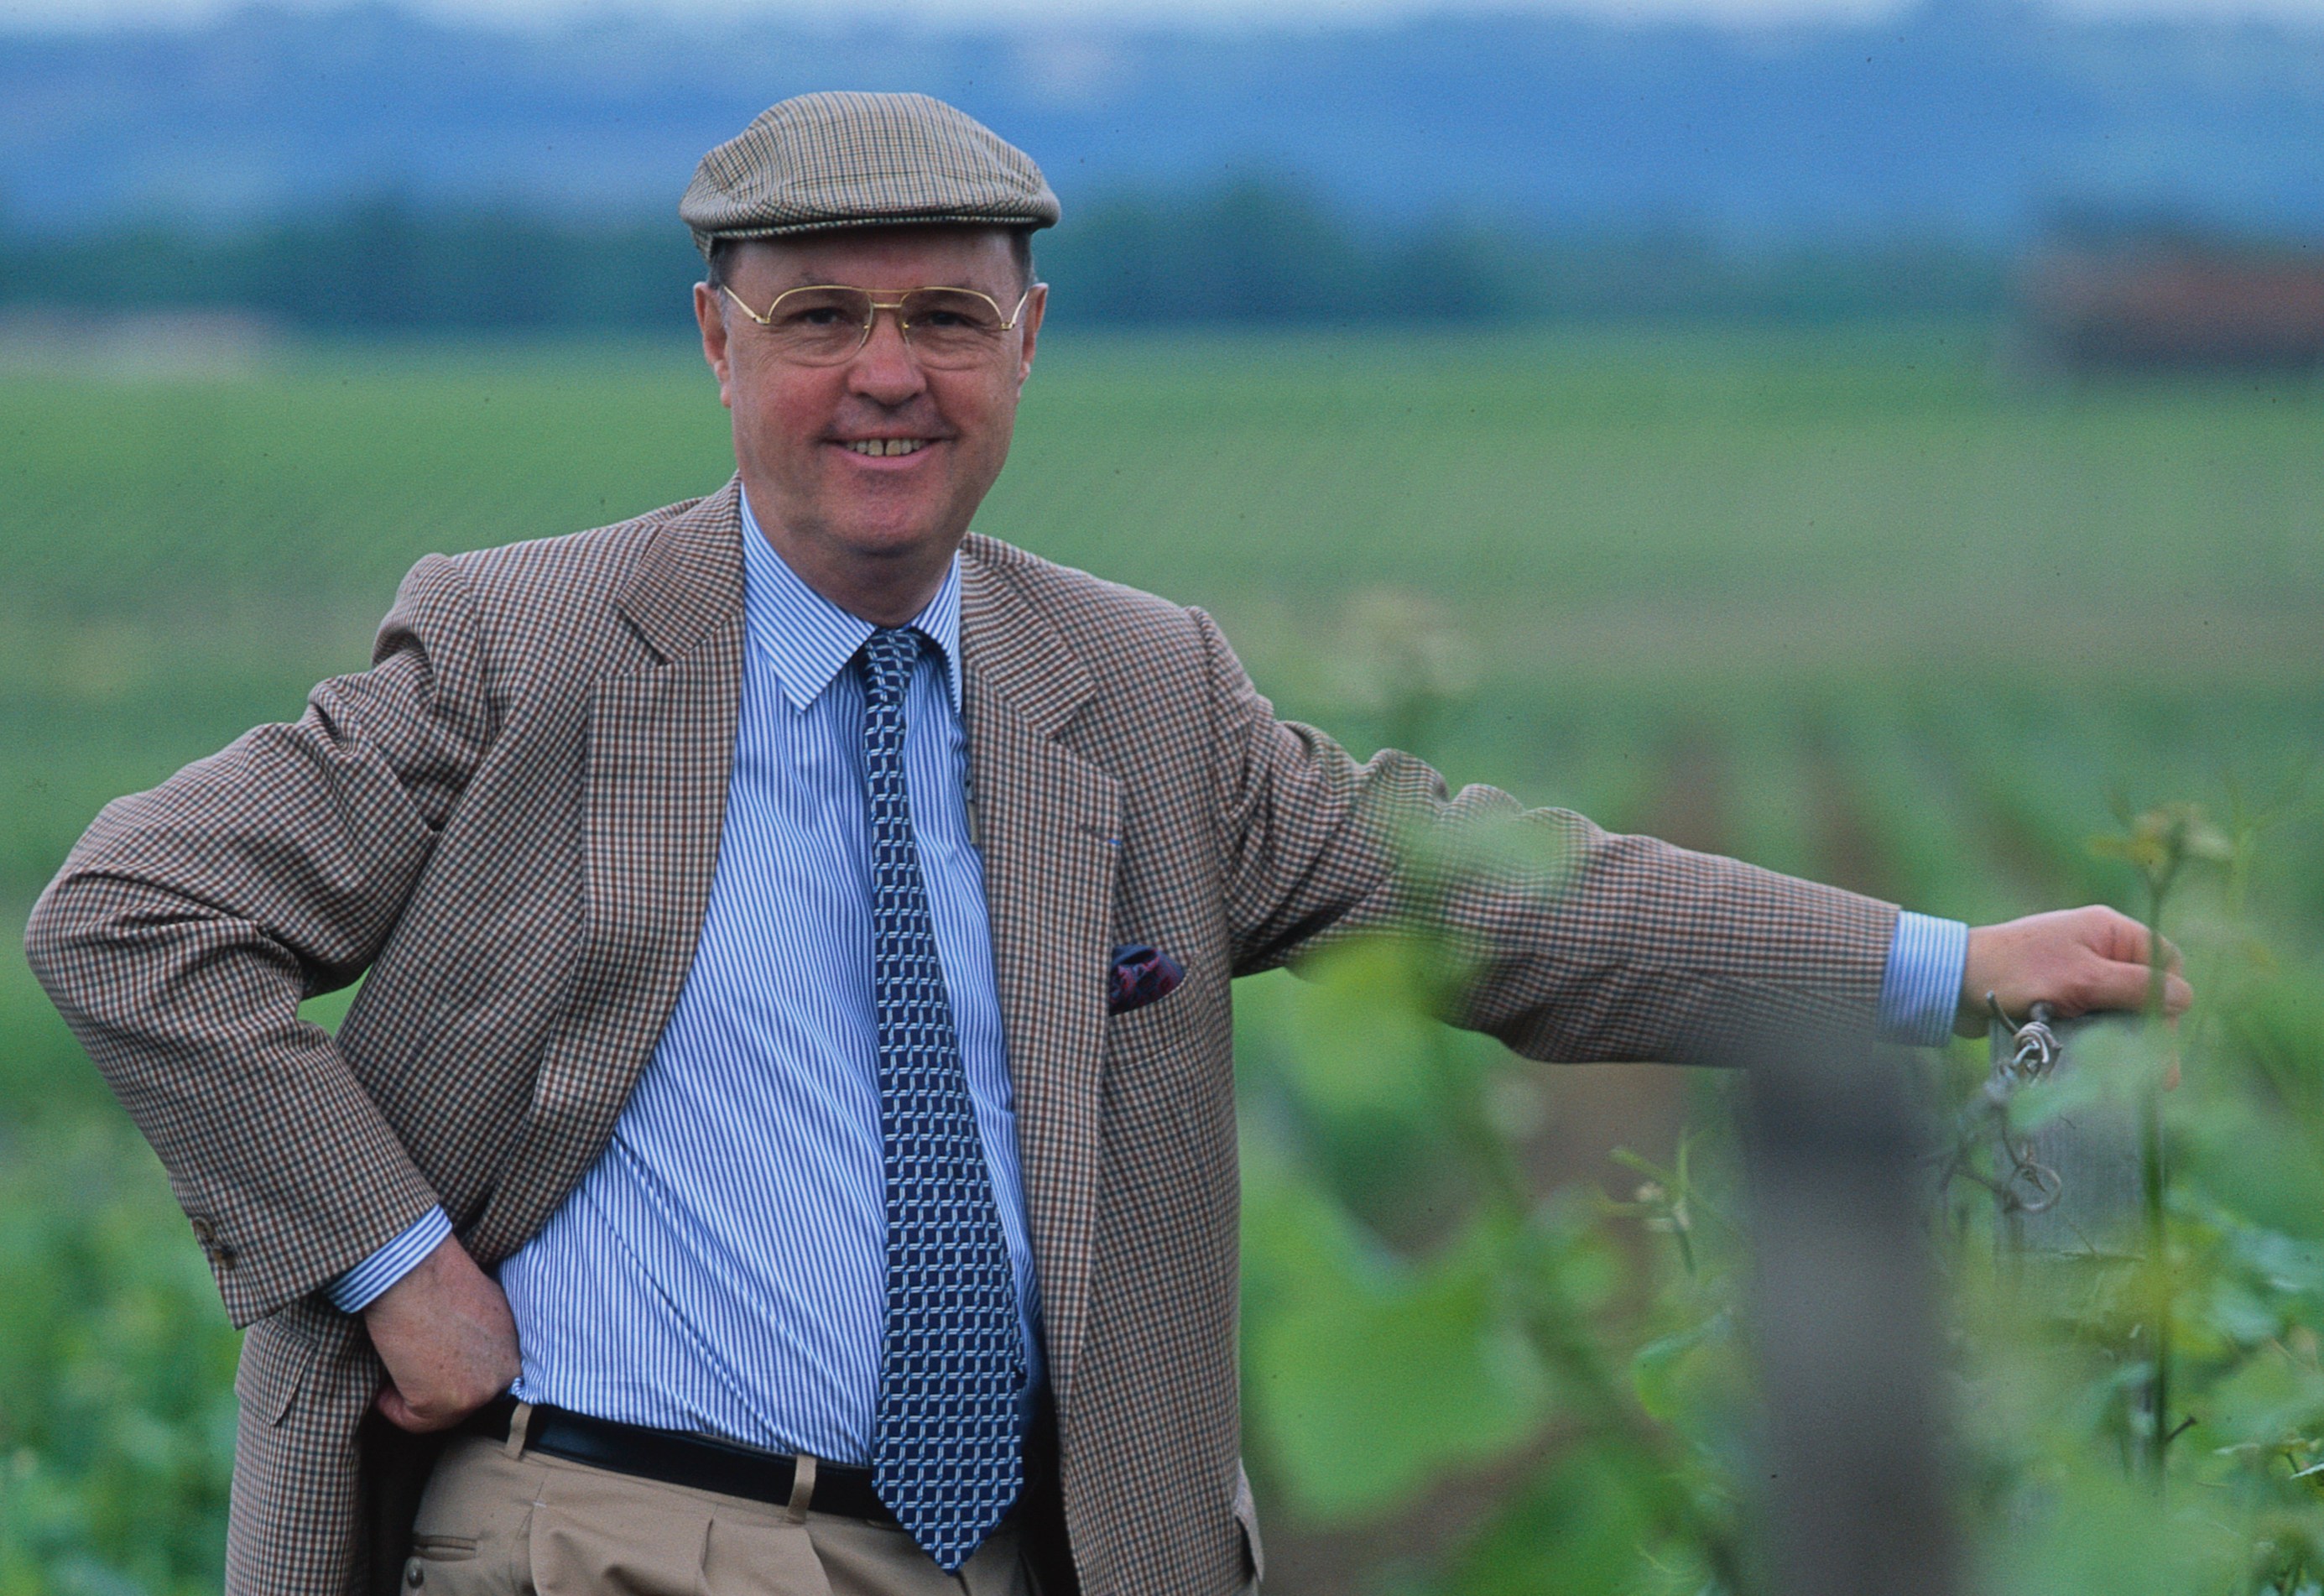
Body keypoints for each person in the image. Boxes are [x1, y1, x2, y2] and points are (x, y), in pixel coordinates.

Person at [24, 91, 2190, 1596]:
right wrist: (397, 1267)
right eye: (821, 320)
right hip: (607, 1536)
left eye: (944, 318)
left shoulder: (1139, 690)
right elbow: (132, 916)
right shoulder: (539, 646)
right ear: (714, 341)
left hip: (1017, 1560)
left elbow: (1498, 899)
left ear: (1027, 343)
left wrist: (1945, 961)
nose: (888, 376)